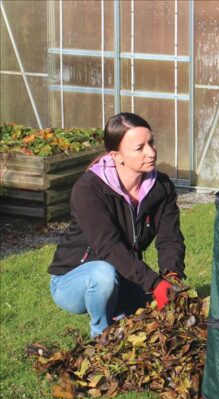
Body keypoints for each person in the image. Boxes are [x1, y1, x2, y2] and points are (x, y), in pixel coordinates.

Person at [48, 113, 186, 337]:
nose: (151, 152)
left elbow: (170, 238)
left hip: (124, 274)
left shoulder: (161, 187)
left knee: (151, 315)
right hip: (73, 281)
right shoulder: (88, 189)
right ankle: (100, 337)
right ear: (117, 155)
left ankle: (120, 313)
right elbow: (108, 247)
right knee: (103, 274)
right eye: (139, 148)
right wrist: (154, 282)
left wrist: (171, 278)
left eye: (151, 142)